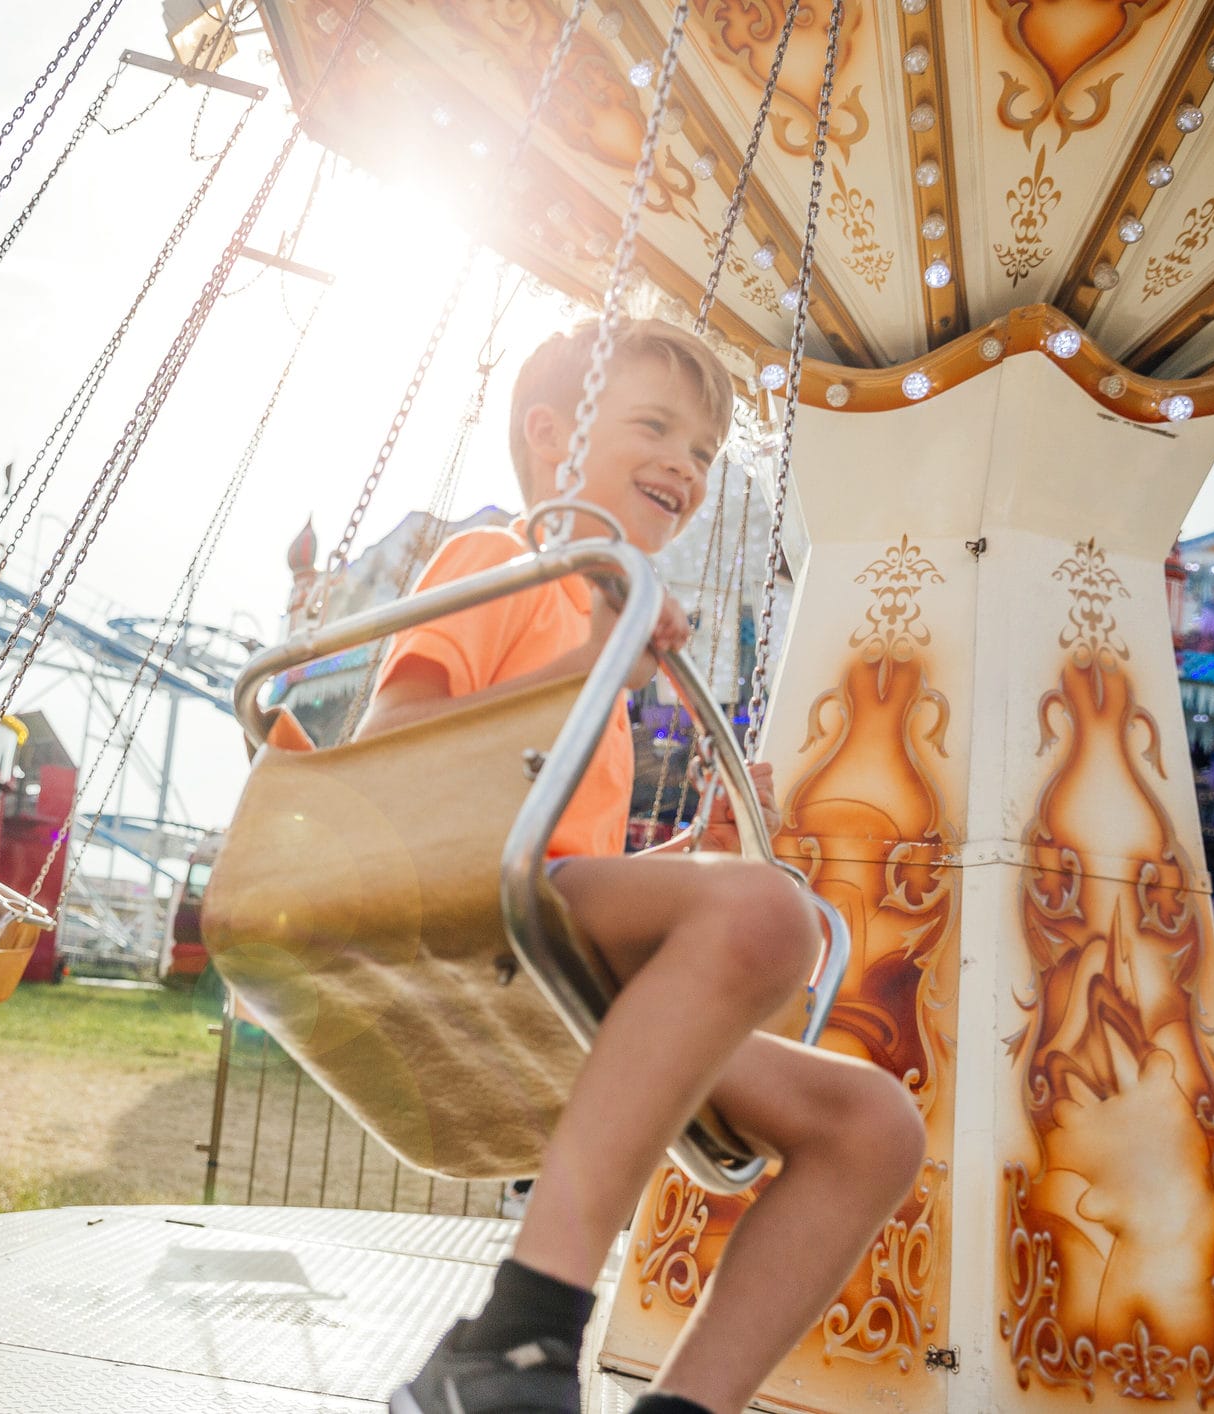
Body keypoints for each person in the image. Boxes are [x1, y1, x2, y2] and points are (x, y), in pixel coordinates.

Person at [376, 320, 924, 1414]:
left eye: (707, 449)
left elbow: (575, 860)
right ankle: (512, 1340)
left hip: (556, 957)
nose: (686, 460)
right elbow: (396, 749)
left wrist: (696, 858)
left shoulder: (609, 635)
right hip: (453, 917)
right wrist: (594, 658)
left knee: (876, 1126)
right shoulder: (503, 565)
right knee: (775, 921)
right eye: (656, 425)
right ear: (552, 434)